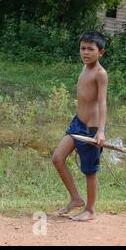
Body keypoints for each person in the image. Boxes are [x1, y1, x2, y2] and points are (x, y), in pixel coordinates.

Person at [52, 30, 108, 221]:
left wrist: (100, 131)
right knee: (58, 158)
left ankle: (90, 210)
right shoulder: (84, 68)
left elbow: (101, 102)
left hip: (91, 130)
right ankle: (76, 198)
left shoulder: (100, 74)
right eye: (83, 48)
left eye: (90, 49)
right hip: (77, 124)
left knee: (90, 172)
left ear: (101, 52)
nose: (85, 52)